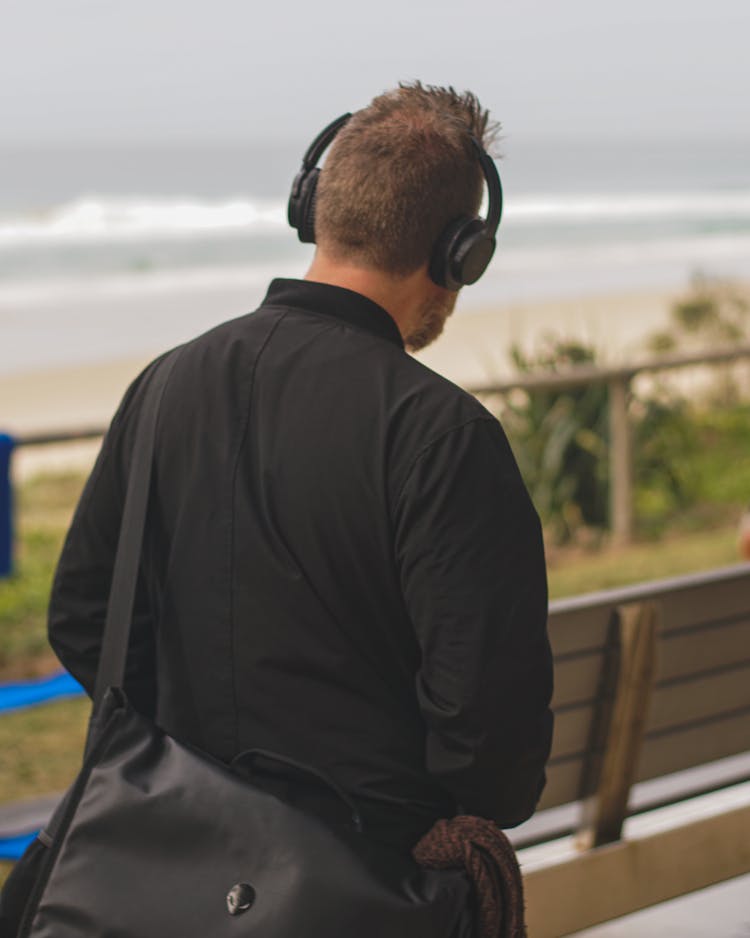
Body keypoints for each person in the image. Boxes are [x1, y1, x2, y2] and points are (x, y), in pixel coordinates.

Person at [47, 82, 553, 855]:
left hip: (169, 862)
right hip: (365, 890)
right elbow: (490, 745)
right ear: (462, 252)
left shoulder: (163, 383)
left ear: (313, 208)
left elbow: (82, 617)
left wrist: (187, 771)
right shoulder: (445, 436)